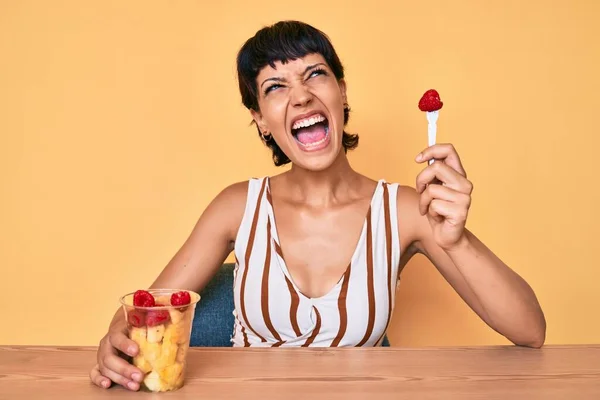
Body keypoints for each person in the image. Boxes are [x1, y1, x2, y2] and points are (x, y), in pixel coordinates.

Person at [90, 20, 546, 391]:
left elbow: (530, 331)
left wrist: (457, 240)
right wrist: (117, 344)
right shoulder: (235, 207)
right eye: (274, 87)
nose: (301, 95)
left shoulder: (407, 210)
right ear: (261, 121)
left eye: (314, 74)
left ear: (341, 93)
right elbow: (142, 313)